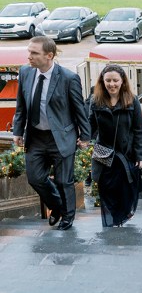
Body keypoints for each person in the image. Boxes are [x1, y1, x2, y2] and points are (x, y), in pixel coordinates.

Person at [12, 36, 91, 231]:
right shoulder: (25, 72)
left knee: (65, 181)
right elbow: (21, 106)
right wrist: (17, 131)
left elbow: (79, 109)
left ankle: (68, 218)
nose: (29, 56)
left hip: (62, 138)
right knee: (35, 178)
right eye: (28, 51)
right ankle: (58, 207)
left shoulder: (68, 78)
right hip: (36, 137)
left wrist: (86, 136)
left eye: (34, 53)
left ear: (49, 55)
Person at [89, 64, 142, 227]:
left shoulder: (132, 100)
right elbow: (91, 125)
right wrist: (84, 139)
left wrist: (139, 154)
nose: (111, 84)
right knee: (106, 188)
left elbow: (138, 129)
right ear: (102, 81)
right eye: (108, 80)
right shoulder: (96, 100)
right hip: (103, 153)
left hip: (126, 154)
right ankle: (114, 220)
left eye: (115, 80)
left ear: (122, 82)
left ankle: (121, 217)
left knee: (125, 189)